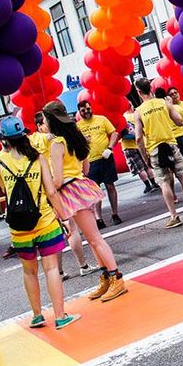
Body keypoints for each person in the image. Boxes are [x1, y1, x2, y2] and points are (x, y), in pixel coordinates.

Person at [0, 117, 79, 329]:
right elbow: (51, 191)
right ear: (24, 135)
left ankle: (37, 316)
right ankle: (60, 316)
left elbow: (5, 191)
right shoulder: (38, 157)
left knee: (28, 271)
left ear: (3, 139)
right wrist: (64, 217)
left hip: (18, 225)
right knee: (51, 269)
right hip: (44, 220)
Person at [42, 101, 127, 302]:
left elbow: (58, 179)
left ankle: (116, 277)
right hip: (81, 186)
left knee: (95, 238)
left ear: (51, 120)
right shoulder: (75, 138)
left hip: (70, 191)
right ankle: (107, 277)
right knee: (92, 238)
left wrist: (47, 188)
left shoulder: (56, 144)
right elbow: (86, 169)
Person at [31, 111, 96, 276]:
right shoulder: (51, 139)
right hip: (59, 186)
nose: (48, 125)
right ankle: (83, 265)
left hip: (47, 188)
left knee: (58, 230)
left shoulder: (34, 140)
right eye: (45, 122)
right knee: (72, 229)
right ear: (40, 126)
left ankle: (59, 271)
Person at [134, 78, 183, 228]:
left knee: (164, 182)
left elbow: (138, 137)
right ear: (150, 88)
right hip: (171, 144)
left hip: (154, 148)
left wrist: (144, 156)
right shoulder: (164, 103)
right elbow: (179, 121)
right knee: (182, 176)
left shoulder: (139, 111)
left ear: (139, 92)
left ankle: (174, 216)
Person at [76, 100, 122, 228]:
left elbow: (114, 133)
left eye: (88, 109)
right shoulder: (78, 126)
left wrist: (110, 148)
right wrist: (82, 141)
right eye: (83, 110)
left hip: (105, 158)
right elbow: (75, 145)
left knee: (110, 185)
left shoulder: (101, 119)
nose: (86, 112)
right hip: (90, 162)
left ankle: (115, 214)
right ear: (79, 112)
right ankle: (99, 218)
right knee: (95, 192)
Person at [120, 106, 158, 194]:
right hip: (141, 143)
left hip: (128, 146)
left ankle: (148, 186)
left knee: (139, 168)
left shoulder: (123, 118)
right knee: (146, 165)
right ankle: (154, 183)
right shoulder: (138, 114)